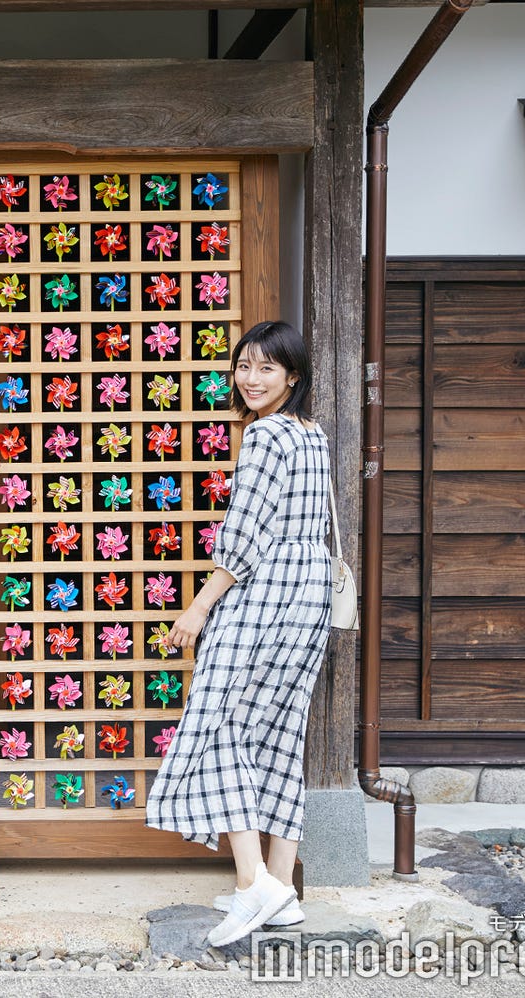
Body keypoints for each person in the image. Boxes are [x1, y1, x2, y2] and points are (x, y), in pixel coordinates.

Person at [144, 320, 333, 947]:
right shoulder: (312, 434)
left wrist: (198, 607)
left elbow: (247, 535)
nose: (251, 379)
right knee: (281, 733)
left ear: (293, 376)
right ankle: (280, 890)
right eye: (244, 366)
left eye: (266, 368)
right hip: (308, 594)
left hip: (264, 594)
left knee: (219, 722)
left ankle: (254, 885)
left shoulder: (265, 435)